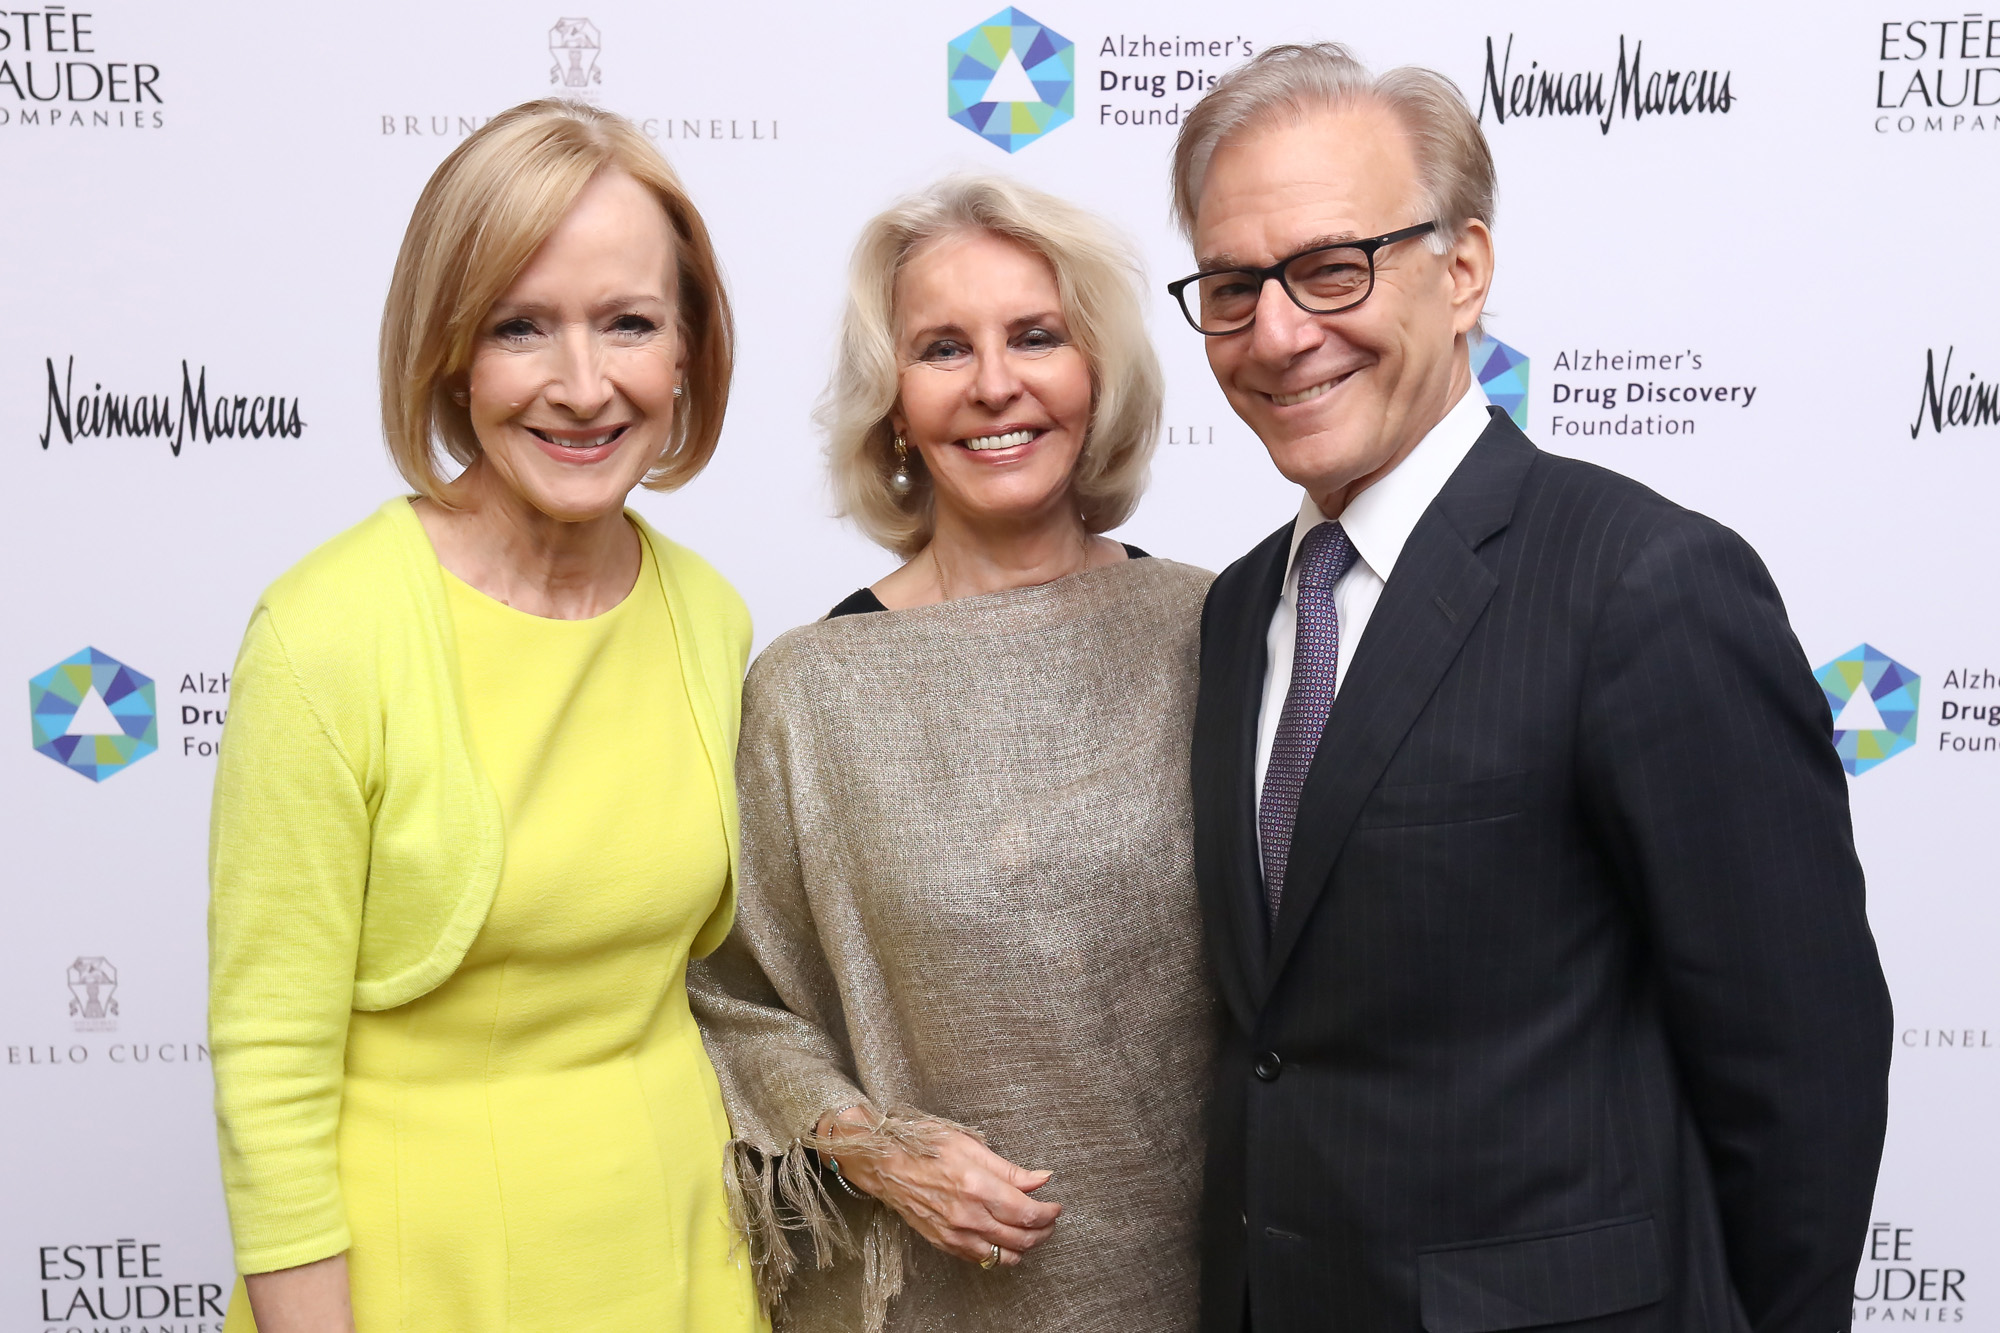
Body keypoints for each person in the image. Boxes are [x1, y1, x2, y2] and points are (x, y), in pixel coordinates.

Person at [1169, 44, 1893, 1333]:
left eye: (1333, 266)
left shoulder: (1644, 582)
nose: (1278, 332)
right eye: (1233, 287)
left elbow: (1803, 1072)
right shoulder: (1236, 611)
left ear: (1461, 271)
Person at [206, 100, 762, 1333]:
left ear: (687, 349)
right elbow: (269, 1061)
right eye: (522, 327)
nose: (582, 386)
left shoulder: (708, 617)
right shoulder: (325, 633)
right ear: (451, 351)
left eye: (628, 323)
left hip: (679, 1261)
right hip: (419, 1275)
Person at [688, 175, 1219, 1333]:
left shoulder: (1215, 631)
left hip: (1208, 1276)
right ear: (890, 405)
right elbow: (731, 997)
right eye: (941, 347)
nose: (994, 383)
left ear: (1099, 377)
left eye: (1036, 336)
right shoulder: (807, 690)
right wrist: (874, 1147)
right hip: (927, 1297)